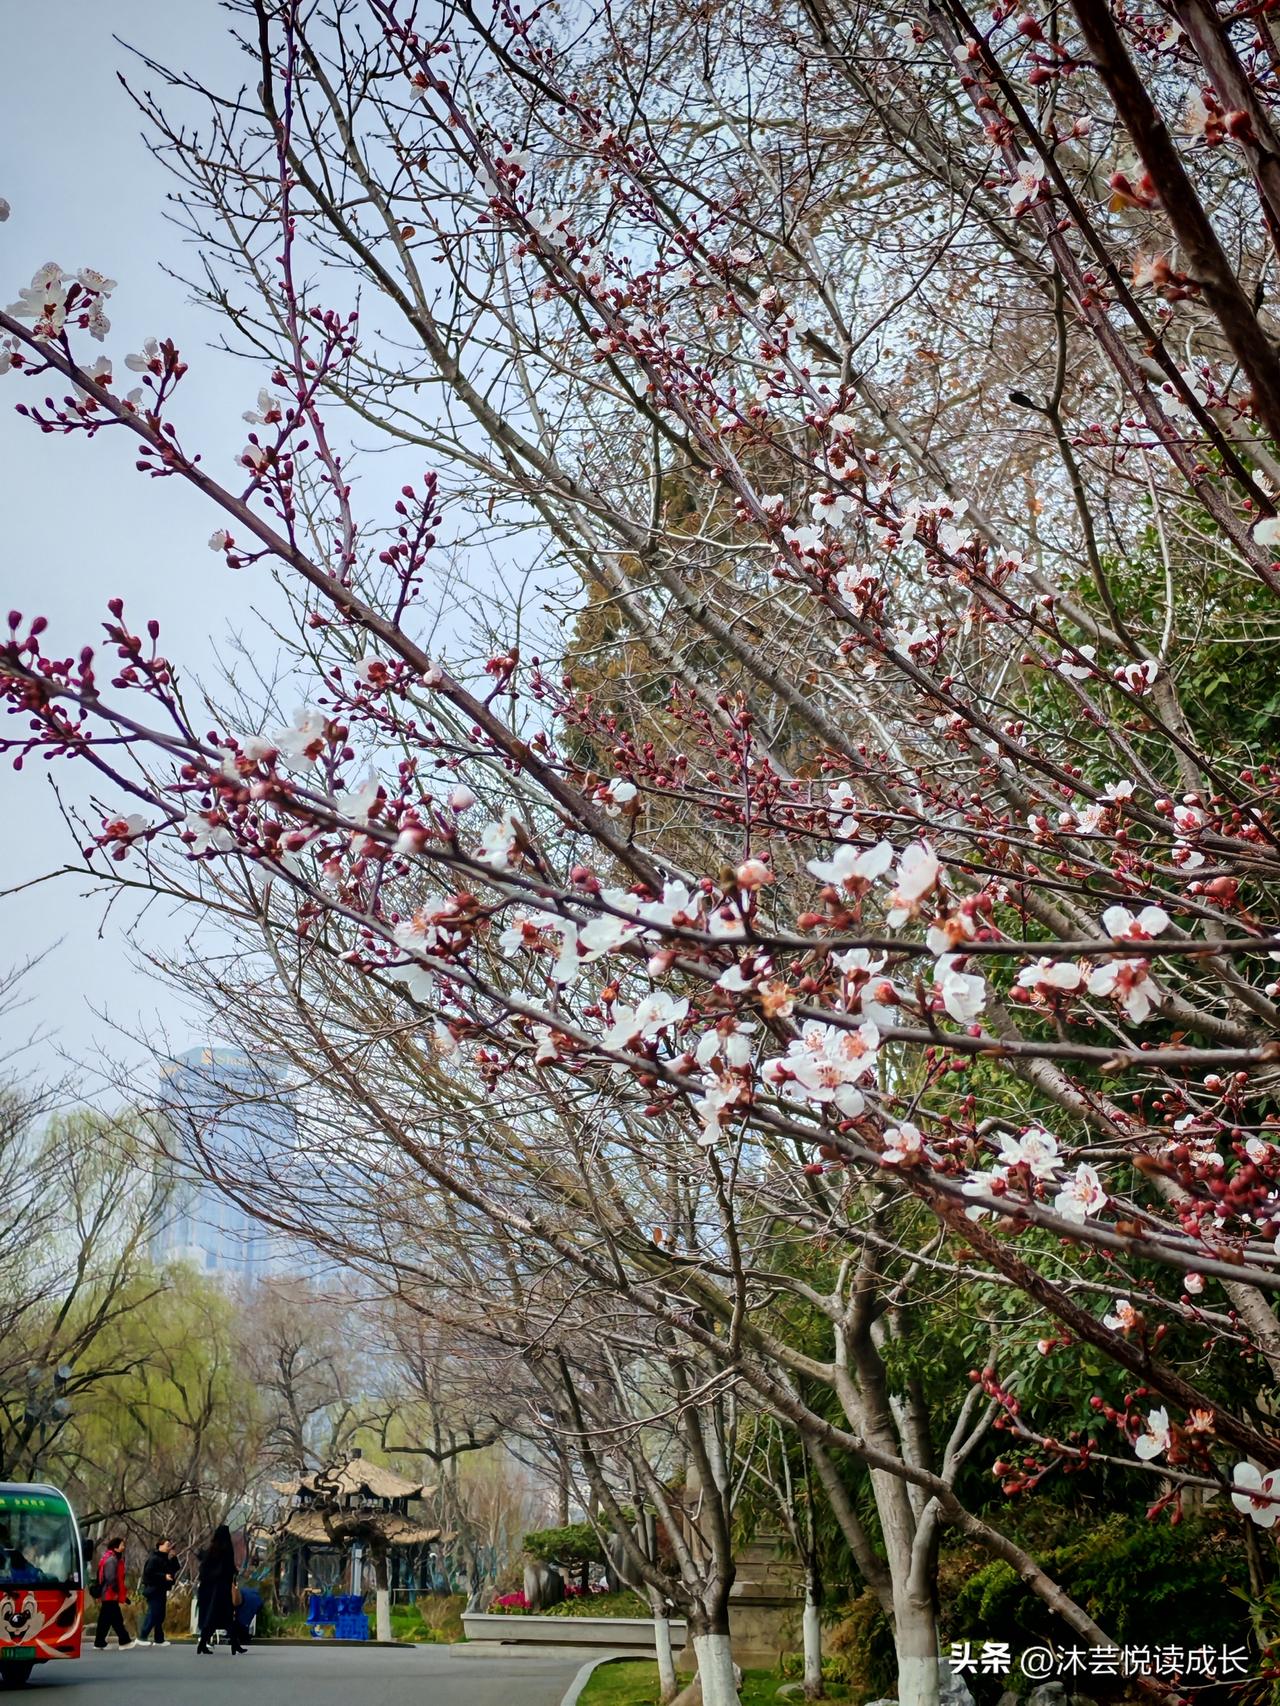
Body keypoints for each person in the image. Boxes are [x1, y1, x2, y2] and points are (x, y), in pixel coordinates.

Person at [195, 1525, 247, 1656]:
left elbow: (204, 1566)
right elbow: (229, 1569)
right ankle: (235, 1645)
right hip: (221, 1589)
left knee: (211, 1618)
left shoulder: (212, 1550)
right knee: (227, 1617)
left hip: (208, 1589)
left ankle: (203, 1644)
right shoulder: (227, 1550)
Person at [93, 1537, 133, 1650]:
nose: (123, 1547)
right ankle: (124, 1641)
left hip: (109, 1594)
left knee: (105, 1620)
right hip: (110, 1594)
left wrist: (123, 1596)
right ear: (115, 1547)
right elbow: (111, 1579)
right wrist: (117, 1592)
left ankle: (99, 1642)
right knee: (116, 1620)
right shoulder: (112, 1560)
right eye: (122, 1545)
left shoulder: (112, 1558)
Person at [138, 1539, 179, 1647]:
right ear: (160, 1546)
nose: (169, 1547)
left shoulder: (165, 1559)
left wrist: (174, 1557)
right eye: (167, 1545)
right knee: (153, 1613)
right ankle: (142, 1636)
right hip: (153, 1589)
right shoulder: (154, 1558)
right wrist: (163, 1576)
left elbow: (175, 1568)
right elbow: (148, 1573)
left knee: (160, 1615)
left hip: (161, 1589)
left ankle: (159, 1639)